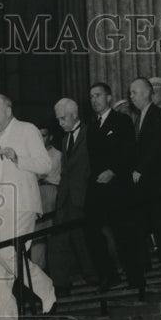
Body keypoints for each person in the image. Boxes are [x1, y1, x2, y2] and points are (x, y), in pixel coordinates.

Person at [0, 94, 56, 320]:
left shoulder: (27, 130)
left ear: (9, 109)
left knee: (8, 255)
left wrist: (18, 158)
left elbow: (45, 165)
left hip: (20, 204)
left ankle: (45, 288)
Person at [85, 82, 143, 296]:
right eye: (91, 96)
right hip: (98, 187)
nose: (94, 100)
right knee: (91, 229)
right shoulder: (92, 126)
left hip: (119, 187)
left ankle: (136, 278)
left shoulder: (121, 120)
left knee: (124, 232)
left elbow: (129, 153)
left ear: (109, 98)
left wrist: (113, 171)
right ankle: (109, 275)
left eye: (98, 95)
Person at [129, 76, 161, 283]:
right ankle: (156, 263)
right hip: (148, 180)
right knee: (150, 221)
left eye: (134, 92)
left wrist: (139, 169)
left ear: (145, 92)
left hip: (157, 178)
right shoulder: (141, 116)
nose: (131, 96)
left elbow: (156, 146)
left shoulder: (157, 115)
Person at [49, 97, 99, 296]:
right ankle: (61, 283)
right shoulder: (64, 139)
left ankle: (94, 276)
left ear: (74, 115)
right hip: (66, 197)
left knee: (82, 238)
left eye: (62, 119)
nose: (60, 123)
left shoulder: (89, 133)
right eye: (58, 119)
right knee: (59, 239)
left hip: (83, 194)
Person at [32, 123, 62, 270]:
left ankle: (56, 272)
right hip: (35, 194)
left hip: (51, 193)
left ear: (50, 137)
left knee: (52, 234)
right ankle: (38, 273)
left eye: (43, 135)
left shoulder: (58, 155)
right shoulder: (31, 155)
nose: (40, 139)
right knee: (36, 236)